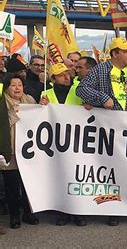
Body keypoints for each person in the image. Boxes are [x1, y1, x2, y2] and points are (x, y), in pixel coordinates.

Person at [76, 37, 127, 225]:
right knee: (113, 170)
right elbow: (81, 89)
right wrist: (101, 98)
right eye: (124, 51)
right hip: (111, 130)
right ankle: (114, 210)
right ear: (114, 53)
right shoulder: (100, 70)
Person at [38, 63, 85, 226]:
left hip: (77, 140)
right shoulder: (46, 93)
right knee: (61, 176)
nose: (66, 77)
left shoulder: (79, 88)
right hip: (57, 143)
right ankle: (63, 211)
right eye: (61, 75)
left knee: (77, 176)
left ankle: (79, 212)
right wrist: (41, 106)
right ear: (53, 79)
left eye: (67, 74)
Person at [0, 74, 39, 229]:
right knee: (12, 185)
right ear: (6, 87)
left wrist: (43, 106)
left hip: (28, 152)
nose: (17, 88)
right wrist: (13, 114)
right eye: (13, 85)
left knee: (28, 185)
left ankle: (28, 213)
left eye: (20, 85)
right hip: (9, 151)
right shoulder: (2, 103)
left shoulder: (30, 101)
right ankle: (14, 215)